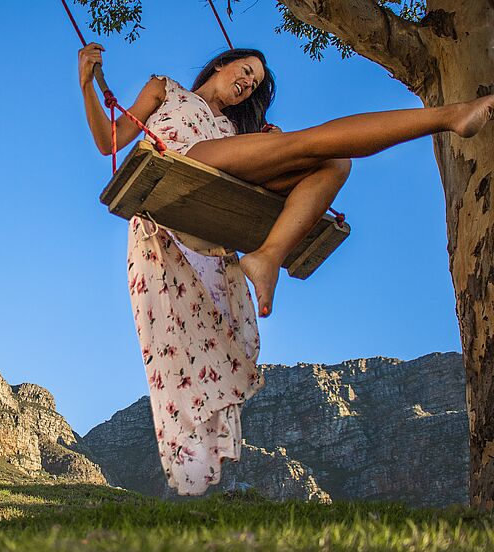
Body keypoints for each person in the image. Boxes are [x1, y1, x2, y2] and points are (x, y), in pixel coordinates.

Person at [77, 44, 494, 495]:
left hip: (224, 182)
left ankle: (269, 255)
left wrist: (263, 141)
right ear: (221, 62)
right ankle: (450, 116)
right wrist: (87, 86)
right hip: (186, 162)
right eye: (245, 71)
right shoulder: (167, 89)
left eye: (253, 84)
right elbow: (110, 141)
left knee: (334, 161)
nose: (246, 84)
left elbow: (263, 155)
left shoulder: (233, 128)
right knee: (307, 143)